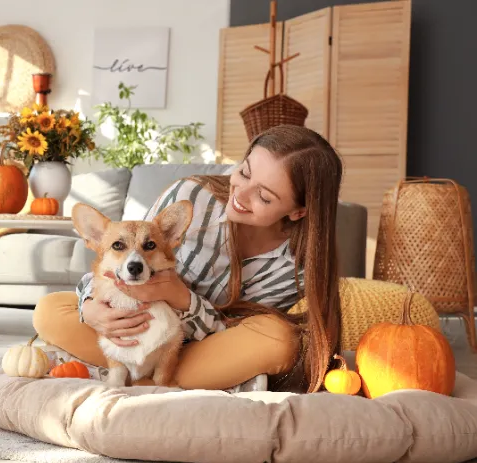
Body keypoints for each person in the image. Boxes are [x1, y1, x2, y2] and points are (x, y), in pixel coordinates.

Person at [33, 125, 343, 393]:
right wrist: (91, 310)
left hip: (204, 349)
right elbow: (122, 259)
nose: (241, 194)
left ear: (298, 211)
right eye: (244, 172)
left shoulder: (295, 267)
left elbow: (232, 334)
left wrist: (179, 297)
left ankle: (139, 380)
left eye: (263, 196)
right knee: (49, 310)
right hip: (134, 332)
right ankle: (177, 384)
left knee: (280, 341)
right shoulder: (192, 196)